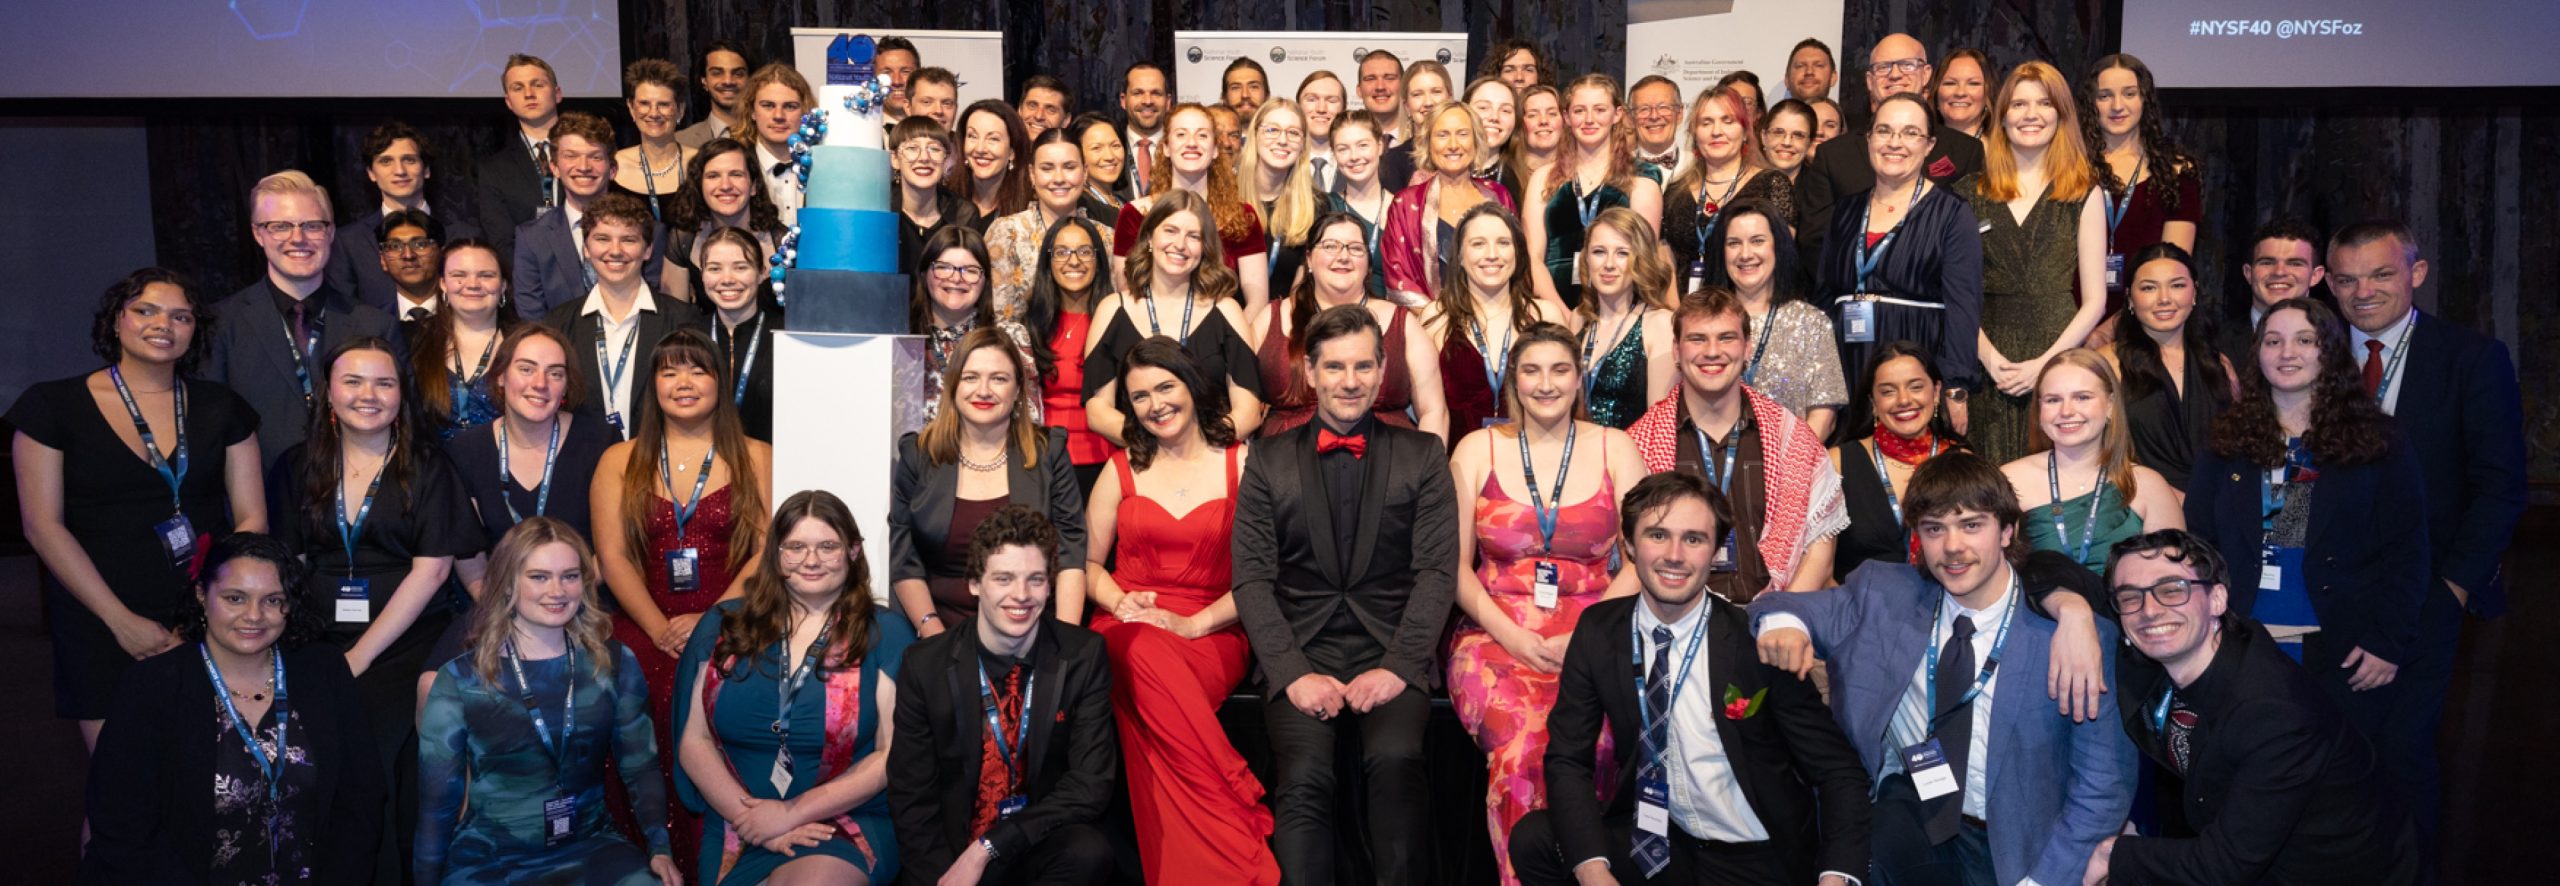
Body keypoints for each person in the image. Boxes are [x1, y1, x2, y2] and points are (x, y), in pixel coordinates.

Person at [1752, 451, 2136, 886]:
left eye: (1972, 525)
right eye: (1935, 529)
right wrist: (1785, 628)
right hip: (1913, 818)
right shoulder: (1886, 593)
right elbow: (1783, 606)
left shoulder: (2066, 637)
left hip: (2019, 844)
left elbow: (2103, 785)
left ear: (2007, 531)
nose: (1952, 547)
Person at [1506, 470, 1869, 886]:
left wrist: (1836, 877)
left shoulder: (1753, 642)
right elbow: (1568, 759)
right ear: (1628, 545)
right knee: (1536, 840)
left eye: (1694, 539)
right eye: (1657, 535)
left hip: (1754, 854)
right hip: (1662, 846)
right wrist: (1593, 871)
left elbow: (1838, 770)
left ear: (1715, 551)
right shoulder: (1599, 630)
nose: (1674, 555)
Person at [1231, 303, 1458, 885]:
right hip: (1302, 651)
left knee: (1397, 761)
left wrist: (1398, 668)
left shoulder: (1424, 455)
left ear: (1384, 371)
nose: (1349, 381)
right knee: (1304, 776)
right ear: (1309, 372)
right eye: (1334, 367)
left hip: (1391, 648)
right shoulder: (1267, 458)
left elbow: (1436, 573)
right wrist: (1291, 672)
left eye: (1362, 366)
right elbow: (1252, 578)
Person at [2184, 296, 2436, 813]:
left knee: (2340, 805)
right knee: (2250, 803)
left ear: (2329, 353)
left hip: (2342, 656)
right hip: (2245, 653)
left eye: (2304, 340)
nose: (2287, 352)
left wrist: (2388, 641)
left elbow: (2408, 553)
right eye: (2273, 341)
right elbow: (2200, 542)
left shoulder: (2378, 442)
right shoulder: (2226, 442)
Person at [2324, 220, 2526, 849]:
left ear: (2416, 272)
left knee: (2403, 752)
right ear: (2327, 282)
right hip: (2324, 597)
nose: (2364, 292)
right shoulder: (2308, 353)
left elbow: (2500, 486)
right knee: (2328, 753)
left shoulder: (2472, 358)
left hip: (2428, 596)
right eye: (2347, 278)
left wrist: (2454, 589)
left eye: (2381, 274)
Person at [2071, 530, 2422, 886]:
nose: (2149, 609)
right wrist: (2072, 615)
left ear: (2217, 599)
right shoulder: (2157, 653)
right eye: (2130, 597)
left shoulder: (2274, 712)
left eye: (2173, 590)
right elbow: (2047, 568)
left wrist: (2114, 853)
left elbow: (2224, 866)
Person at [12, 269, 266, 750]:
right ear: (115, 320)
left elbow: (252, 520)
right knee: (119, 788)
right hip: (99, 616)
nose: (162, 324)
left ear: (195, 331)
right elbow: (42, 526)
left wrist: (204, 610)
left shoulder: (223, 407)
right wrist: (120, 621)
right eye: (145, 310)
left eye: (181, 315)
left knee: (208, 776)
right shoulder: (52, 406)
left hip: (205, 616)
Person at [267, 336, 483, 874]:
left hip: (408, 643)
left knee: (372, 756)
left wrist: (358, 659)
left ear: (401, 395)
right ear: (327, 393)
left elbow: (432, 571)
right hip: (313, 639)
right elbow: (287, 563)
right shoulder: (296, 465)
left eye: (384, 382)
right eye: (353, 381)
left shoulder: (429, 467)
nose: (370, 394)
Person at [1444, 323, 1648, 885]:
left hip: (1596, 631)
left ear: (1579, 378)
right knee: (1522, 747)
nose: (1546, 384)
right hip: (1495, 635)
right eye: (1531, 371)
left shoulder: (1616, 446)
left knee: (1597, 743)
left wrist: (1583, 637)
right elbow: (1455, 569)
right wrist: (1512, 638)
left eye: (1560, 370)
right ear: (1513, 381)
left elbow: (1642, 560)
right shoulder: (1477, 447)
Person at [1081, 339, 1280, 884]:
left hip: (1213, 630)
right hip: (1129, 623)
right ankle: (1230, 795)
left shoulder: (1247, 464)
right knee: (1137, 646)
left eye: (1165, 387)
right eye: (1139, 396)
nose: (1155, 404)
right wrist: (1119, 600)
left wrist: (1193, 623)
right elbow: (1086, 566)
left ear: (1192, 385)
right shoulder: (1120, 469)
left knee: (1150, 669)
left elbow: (1263, 575)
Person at [79, 533, 383, 884]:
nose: (254, 616)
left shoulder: (324, 670)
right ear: (201, 597)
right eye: (235, 598)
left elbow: (362, 798)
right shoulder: (151, 687)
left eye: (273, 600)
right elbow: (122, 825)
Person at [592, 326, 774, 869]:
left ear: (721, 381)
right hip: (643, 624)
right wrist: (655, 627)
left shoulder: (757, 456)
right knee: (629, 686)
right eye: (669, 371)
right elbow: (614, 558)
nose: (683, 382)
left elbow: (767, 550)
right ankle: (642, 858)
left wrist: (710, 619)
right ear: (653, 385)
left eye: (697, 369)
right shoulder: (618, 461)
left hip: (733, 621)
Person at [416, 518, 682, 885]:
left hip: (590, 845)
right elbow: (437, 806)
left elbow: (640, 766)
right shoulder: (460, 680)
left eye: (569, 576)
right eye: (539, 577)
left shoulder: (614, 663)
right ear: (509, 582)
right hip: (491, 857)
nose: (557, 590)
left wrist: (660, 849)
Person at [673, 490, 917, 885]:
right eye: (796, 547)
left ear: (853, 552)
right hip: (740, 827)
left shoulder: (883, 632)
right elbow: (694, 742)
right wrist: (754, 819)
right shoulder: (723, 626)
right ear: (775, 553)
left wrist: (790, 814)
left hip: (841, 823)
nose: (811, 560)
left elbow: (892, 755)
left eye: (828, 546)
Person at [888, 506, 1118, 885]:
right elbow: (911, 794)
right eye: (1004, 578)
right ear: (975, 583)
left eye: (1036, 579)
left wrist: (991, 846)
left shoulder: (1083, 655)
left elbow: (1091, 784)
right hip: (951, 852)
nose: (1021, 595)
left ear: (1050, 585)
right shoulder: (924, 664)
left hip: (1031, 843)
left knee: (1088, 852)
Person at [1628, 289, 1847, 599]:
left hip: (1777, 624)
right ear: (1676, 351)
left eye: (1727, 338)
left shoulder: (1792, 438)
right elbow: (1629, 556)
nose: (1712, 351)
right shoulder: (1640, 443)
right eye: (1698, 339)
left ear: (1747, 348)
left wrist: (1782, 617)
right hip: (1677, 624)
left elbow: (1820, 552)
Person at [890, 327, 1090, 634]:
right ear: (953, 385)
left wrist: (1065, 640)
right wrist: (933, 635)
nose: (984, 391)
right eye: (971, 377)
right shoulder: (917, 456)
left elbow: (1071, 556)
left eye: (999, 378)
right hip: (941, 628)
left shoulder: (1049, 453)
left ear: (1018, 389)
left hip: (1034, 627)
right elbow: (905, 560)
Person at [1961, 61, 2109, 466]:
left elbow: (2095, 300)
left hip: (2056, 350)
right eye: (2019, 104)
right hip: (1986, 357)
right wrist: (1990, 359)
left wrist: (2046, 366)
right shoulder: (1967, 193)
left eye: (2044, 103)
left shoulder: (2083, 192)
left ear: (2061, 115)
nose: (2031, 114)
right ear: (2002, 116)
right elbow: (1955, 293)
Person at [205, 170, 405, 465]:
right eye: (280, 226)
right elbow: (212, 432)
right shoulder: (220, 324)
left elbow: (404, 429)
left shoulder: (376, 325)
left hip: (361, 496)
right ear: (258, 234)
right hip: (259, 500)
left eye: (312, 225)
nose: (297, 239)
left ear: (331, 232)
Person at [1816, 93, 1984, 440]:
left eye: (1910, 133)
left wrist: (1955, 387)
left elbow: (1963, 306)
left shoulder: (1952, 213)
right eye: (1884, 131)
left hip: (1917, 369)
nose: (1895, 143)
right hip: (1848, 370)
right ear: (1869, 139)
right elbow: (1824, 295)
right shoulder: (1844, 211)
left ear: (1929, 145)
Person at [1085, 190, 1268, 445]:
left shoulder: (1226, 310)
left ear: (1205, 247)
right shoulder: (1112, 310)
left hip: (1214, 460)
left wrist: (1200, 450)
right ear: (1149, 236)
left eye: (1193, 236)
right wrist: (1157, 448)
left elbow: (1248, 411)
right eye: (1170, 231)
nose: (1180, 244)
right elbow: (1098, 411)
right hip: (1140, 461)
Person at [440, 324, 611, 591]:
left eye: (555, 373)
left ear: (566, 386)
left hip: (585, 606)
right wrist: (503, 612)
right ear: (499, 376)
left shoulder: (601, 442)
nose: (540, 383)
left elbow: (616, 549)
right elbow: (469, 556)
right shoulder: (466, 450)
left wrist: (564, 601)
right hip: (499, 611)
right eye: (526, 369)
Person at [1251, 212, 1448, 441]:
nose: (1343, 256)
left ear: (1367, 263)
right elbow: (1243, 405)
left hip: (1387, 467)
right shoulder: (1271, 319)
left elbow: (1434, 412)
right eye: (1330, 246)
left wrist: (1424, 472)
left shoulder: (1402, 324)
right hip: (1287, 466)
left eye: (1355, 248)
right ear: (1309, 259)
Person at [1794, 34, 1987, 262]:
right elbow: (1815, 240)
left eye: (1907, 65)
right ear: (1869, 80)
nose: (1895, 74)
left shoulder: (1964, 151)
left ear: (1926, 74)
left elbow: (1970, 238)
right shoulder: (1833, 154)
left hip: (1929, 292)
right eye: (1883, 67)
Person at [1999, 349, 2185, 573]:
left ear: (2110, 405)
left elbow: (2172, 580)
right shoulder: (2008, 481)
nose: (2066, 411)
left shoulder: (2149, 486)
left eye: (2082, 397)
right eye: (2053, 400)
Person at [544, 192, 702, 443]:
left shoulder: (683, 321)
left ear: (648, 249)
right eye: (602, 239)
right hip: (584, 467)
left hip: (659, 461)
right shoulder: (558, 325)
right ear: (586, 248)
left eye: (628, 240)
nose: (615, 251)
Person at [1694, 200, 1844, 436]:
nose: (1745, 254)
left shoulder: (1811, 322)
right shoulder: (1700, 323)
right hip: (1711, 462)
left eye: (1757, 241)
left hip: (1792, 464)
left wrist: (1791, 466)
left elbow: (1823, 415)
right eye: (1733, 243)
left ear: (1778, 247)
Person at [1423, 203, 1574, 434]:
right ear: (1460, 256)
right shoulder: (1437, 318)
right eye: (1478, 244)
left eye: (1503, 243)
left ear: (1517, 252)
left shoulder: (1546, 315)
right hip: (1459, 464)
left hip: (1536, 459)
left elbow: (1568, 398)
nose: (1492, 255)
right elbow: (1428, 410)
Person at [1113, 103, 1274, 315]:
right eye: (1181, 134)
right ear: (1166, 148)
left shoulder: (1242, 217)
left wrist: (1234, 338)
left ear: (1215, 149)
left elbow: (1257, 301)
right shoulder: (1135, 215)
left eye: (1202, 135)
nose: (1191, 143)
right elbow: (1127, 292)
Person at [1830, 341, 1970, 579]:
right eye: (1887, 392)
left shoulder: (1964, 463)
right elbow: (1819, 568)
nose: (1904, 400)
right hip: (1858, 609)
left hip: (1943, 607)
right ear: (1873, 403)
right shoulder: (1837, 463)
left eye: (1915, 387)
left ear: (1936, 393)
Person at [1526, 74, 1666, 309]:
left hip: (1619, 311)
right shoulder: (1543, 178)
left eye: (1600, 110)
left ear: (1617, 114)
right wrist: (1562, 316)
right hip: (1553, 311)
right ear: (1567, 117)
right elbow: (1532, 258)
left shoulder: (1642, 180)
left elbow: (1643, 261)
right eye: (1579, 111)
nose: (1589, 119)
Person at [516, 113, 670, 321]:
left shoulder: (652, 230)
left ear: (613, 169)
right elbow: (532, 318)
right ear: (554, 168)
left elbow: (655, 307)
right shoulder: (532, 237)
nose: (584, 167)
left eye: (595, 157)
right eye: (571, 156)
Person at [2084, 54, 2201, 323]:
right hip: (2073, 317)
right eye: (2104, 96)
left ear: (2145, 99)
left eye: (2129, 94)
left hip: (2148, 317)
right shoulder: (2070, 168)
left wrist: (2115, 327)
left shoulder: (2178, 172)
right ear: (2091, 103)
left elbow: (2173, 267)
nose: (2117, 106)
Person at [2107, 243, 2233, 488]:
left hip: (2218, 504)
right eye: (2149, 288)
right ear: (2130, 298)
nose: (2164, 299)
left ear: (2194, 292)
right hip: (2142, 506)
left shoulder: (2218, 364)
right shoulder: (2107, 365)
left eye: (2177, 285)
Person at [330, 123, 481, 312]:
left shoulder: (464, 234)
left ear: (426, 169)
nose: (400, 171)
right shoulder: (348, 242)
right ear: (371, 173)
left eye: (409, 160)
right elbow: (344, 313)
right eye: (386, 161)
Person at [1663, 84, 1796, 293]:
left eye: (1728, 121)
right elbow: (1665, 259)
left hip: (1748, 312)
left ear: (1745, 131)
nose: (1717, 132)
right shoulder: (1675, 192)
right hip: (1686, 315)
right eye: (1706, 123)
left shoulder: (1771, 184)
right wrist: (1675, 315)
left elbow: (1780, 258)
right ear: (1695, 134)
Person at [1382, 101, 1516, 307]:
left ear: (1476, 140)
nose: (1453, 145)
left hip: (1495, 319)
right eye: (1442, 135)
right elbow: (1399, 281)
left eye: (1462, 134)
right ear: (1427, 142)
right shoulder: (1406, 203)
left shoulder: (1498, 196)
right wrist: (1441, 323)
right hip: (1429, 327)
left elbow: (1516, 264)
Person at [1020, 216, 1117, 494]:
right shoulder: (1030, 326)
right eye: (1061, 252)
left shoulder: (1116, 320)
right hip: (1043, 463)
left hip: (1105, 463)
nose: (1074, 261)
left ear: (1099, 260)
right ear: (1047, 262)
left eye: (1085, 251)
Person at [911, 226, 1041, 425]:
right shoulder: (904, 339)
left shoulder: (1009, 337)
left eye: (970, 271)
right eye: (944, 268)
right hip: (911, 453)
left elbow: (1029, 420)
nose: (956, 278)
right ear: (924, 273)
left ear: (985, 281)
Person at [988, 129, 1114, 318]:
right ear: (1032, 174)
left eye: (1069, 167)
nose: (1059, 178)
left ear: (1085, 172)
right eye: (1047, 168)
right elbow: (1001, 320)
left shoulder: (1107, 238)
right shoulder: (1007, 233)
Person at [1571, 207, 1677, 429]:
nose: (1609, 264)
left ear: (1641, 260)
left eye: (1622, 253)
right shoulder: (1579, 318)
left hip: (1633, 459)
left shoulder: (1660, 324)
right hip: (1578, 456)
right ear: (1586, 259)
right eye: (1599, 251)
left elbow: (1658, 426)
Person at [405, 238, 515, 442]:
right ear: (443, 284)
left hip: (504, 468)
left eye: (486, 275)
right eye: (459, 276)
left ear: (503, 286)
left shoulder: (526, 344)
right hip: (434, 470)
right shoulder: (413, 342)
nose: (472, 284)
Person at [661, 137, 789, 305]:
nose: (725, 185)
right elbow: (673, 315)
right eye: (713, 176)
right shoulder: (683, 239)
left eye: (736, 174)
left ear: (753, 186)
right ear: (699, 186)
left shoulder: (785, 243)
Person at [687, 226, 783, 441]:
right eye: (714, 268)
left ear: (762, 273)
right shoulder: (687, 338)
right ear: (701, 274)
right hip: (703, 465)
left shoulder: (785, 337)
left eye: (740, 267)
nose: (727, 279)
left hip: (772, 464)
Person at [476, 54, 565, 263]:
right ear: (509, 102)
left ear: (557, 93)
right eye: (518, 88)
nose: (529, 94)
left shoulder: (589, 154)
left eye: (538, 85)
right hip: (529, 282)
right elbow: (502, 241)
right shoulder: (494, 169)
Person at [1239, 99, 1323, 298]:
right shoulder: (1227, 197)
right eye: (1272, 130)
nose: (1283, 140)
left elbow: (1304, 287)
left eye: (1293, 133)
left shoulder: (1316, 206)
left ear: (1303, 144)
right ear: (1255, 135)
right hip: (1226, 321)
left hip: (1285, 320)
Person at [2217, 217, 2325, 366]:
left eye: (2294, 263)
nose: (2279, 272)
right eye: (2267, 262)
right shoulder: (2212, 344)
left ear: (2315, 276)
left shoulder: (2338, 339)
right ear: (2248, 273)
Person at [893, 117, 983, 277]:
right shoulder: (882, 209)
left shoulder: (962, 214)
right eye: (912, 148)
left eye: (934, 149)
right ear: (895, 159)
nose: (924, 158)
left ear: (946, 159)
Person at [1322, 110, 1396, 296]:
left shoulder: (1403, 209)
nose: (1354, 156)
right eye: (1343, 149)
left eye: (1363, 145)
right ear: (1334, 154)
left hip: (1389, 316)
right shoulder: (1324, 207)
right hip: (1334, 316)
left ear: (1380, 146)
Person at [614, 58, 698, 224]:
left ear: (680, 110)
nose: (653, 113)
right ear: (631, 108)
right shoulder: (613, 166)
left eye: (664, 104)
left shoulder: (701, 164)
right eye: (644, 103)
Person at [742, 63, 815, 223]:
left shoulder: (821, 166)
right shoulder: (738, 165)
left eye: (790, 106)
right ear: (752, 111)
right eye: (768, 105)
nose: (778, 115)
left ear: (805, 112)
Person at [956, 100, 1034, 228]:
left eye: (993, 139)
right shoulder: (944, 203)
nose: (980, 149)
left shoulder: (1029, 210)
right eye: (972, 136)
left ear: (1012, 152)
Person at [370, 211, 451, 322]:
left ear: (442, 254)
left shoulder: (470, 314)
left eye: (420, 244)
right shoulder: (373, 323)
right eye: (394, 246)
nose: (408, 255)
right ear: (383, 260)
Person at [675, 40, 751, 149]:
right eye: (717, 73)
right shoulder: (681, 142)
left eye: (738, 74)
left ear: (750, 80)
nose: (728, 81)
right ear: (704, 81)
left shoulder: (771, 136)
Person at [1465, 77, 1524, 198]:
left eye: (1505, 110)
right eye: (1483, 107)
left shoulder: (1521, 183)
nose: (1494, 117)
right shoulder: (1436, 174)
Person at [1119, 64, 1171, 197]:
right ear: (1123, 100)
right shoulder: (1109, 150)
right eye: (1138, 93)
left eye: (1156, 93)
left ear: (1168, 101)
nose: (1148, 101)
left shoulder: (1182, 149)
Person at [1296, 71, 1348, 191]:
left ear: (1343, 109)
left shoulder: (1358, 161)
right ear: (1298, 107)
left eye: (1331, 101)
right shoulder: (1284, 160)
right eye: (1312, 99)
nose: (1321, 109)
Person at [1070, 113, 1134, 210]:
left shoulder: (1123, 204)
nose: (1109, 156)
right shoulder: (1079, 207)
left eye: (1115, 146)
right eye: (1096, 148)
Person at [1513, 85, 1565, 195]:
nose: (1543, 121)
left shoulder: (1578, 172)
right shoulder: (1507, 174)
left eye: (1552, 114)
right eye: (1532, 115)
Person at [1935, 49, 1993, 141]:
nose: (1960, 93)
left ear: (1988, 93)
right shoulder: (1918, 149)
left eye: (1973, 83)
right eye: (1950, 83)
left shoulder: (2005, 152)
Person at [1627, 76, 1684, 170]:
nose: (1654, 116)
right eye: (1644, 109)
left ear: (1679, 114)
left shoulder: (1697, 166)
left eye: (1663, 107)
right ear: (1630, 118)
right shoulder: (1615, 170)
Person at [1757, 99, 1819, 183]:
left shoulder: (1822, 189)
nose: (1787, 142)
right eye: (1778, 132)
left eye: (1798, 135)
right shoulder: (1743, 184)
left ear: (1810, 142)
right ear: (1764, 137)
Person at [1356, 50, 1407, 137]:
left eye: (1390, 78)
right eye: (1370, 79)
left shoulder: (1425, 139)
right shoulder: (1344, 140)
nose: (1380, 87)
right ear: (1359, 91)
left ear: (1404, 87)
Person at [877, 36, 922, 122]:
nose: (897, 82)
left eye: (905, 71)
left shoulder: (938, 132)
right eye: (887, 72)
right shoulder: (860, 132)